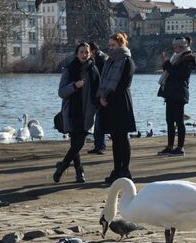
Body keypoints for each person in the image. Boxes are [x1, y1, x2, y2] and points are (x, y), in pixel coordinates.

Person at [53, 43, 100, 183]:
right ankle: (79, 173)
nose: (84, 55)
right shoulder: (69, 69)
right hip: (72, 111)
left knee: (80, 142)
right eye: (82, 52)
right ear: (77, 54)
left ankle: (63, 166)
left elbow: (98, 89)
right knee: (75, 143)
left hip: (88, 111)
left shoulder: (94, 70)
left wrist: (97, 104)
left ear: (90, 53)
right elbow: (61, 92)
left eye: (87, 52)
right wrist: (74, 86)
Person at [98, 32, 136, 184]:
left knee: (122, 137)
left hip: (120, 102)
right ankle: (116, 169)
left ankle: (125, 170)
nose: (110, 48)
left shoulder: (127, 61)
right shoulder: (111, 61)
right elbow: (105, 81)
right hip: (110, 102)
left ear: (122, 44)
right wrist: (102, 97)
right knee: (115, 138)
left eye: (113, 45)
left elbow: (123, 84)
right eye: (109, 45)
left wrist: (107, 98)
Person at [157, 37, 196, 157]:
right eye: (173, 46)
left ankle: (180, 148)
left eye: (176, 46)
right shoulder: (176, 57)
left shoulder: (189, 59)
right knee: (169, 121)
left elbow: (178, 74)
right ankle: (170, 146)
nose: (173, 48)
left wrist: (167, 63)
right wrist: (167, 63)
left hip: (179, 93)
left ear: (182, 47)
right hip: (171, 93)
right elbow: (170, 70)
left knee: (179, 121)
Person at [86, 41, 108, 155]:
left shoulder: (100, 59)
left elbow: (100, 77)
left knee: (99, 121)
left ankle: (101, 146)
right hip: (97, 93)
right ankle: (98, 145)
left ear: (93, 50)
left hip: (100, 94)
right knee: (98, 120)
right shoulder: (99, 58)